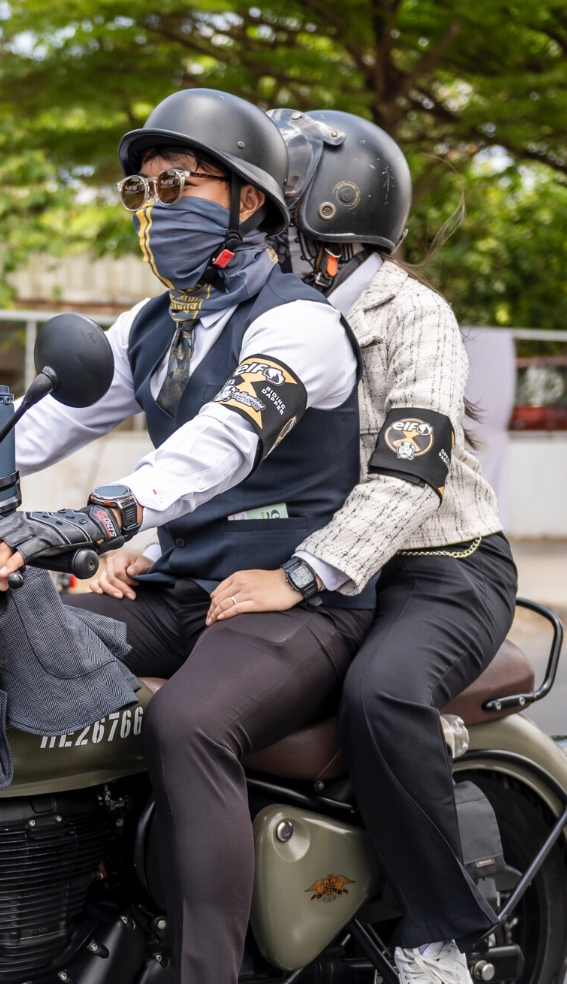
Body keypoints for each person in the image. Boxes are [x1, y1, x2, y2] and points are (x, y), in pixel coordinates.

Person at [0, 88, 377, 984]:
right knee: (1, 633)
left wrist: (104, 515)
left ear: (249, 198)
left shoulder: (299, 324)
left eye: (177, 183)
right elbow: (30, 431)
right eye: (143, 190)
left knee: (187, 722)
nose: (155, 208)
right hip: (182, 593)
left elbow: (223, 439)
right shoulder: (154, 327)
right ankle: (43, 897)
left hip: (296, 602)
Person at [179, 109, 512, 984]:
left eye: (270, 207)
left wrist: (298, 574)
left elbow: (410, 474)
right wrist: (134, 536)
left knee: (380, 692)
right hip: (324, 566)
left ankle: (439, 936)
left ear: (330, 210)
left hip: (441, 567)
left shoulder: (416, 314)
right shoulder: (266, 312)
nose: (249, 224)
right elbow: (217, 446)